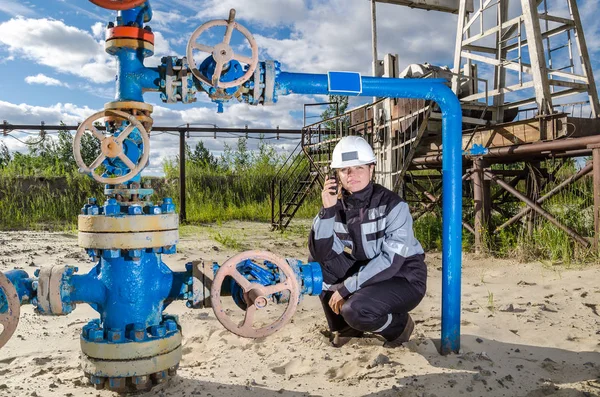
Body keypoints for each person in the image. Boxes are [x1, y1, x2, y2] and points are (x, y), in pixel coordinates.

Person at [308, 135, 427, 348]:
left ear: (371, 169)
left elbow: (390, 261)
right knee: (317, 267)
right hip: (366, 267)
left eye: (358, 168)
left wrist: (346, 287)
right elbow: (320, 254)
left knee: (355, 309)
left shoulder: (393, 206)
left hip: (403, 275)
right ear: (336, 175)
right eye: (345, 170)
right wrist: (327, 211)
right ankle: (347, 328)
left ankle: (398, 326)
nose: (351, 175)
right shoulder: (337, 206)